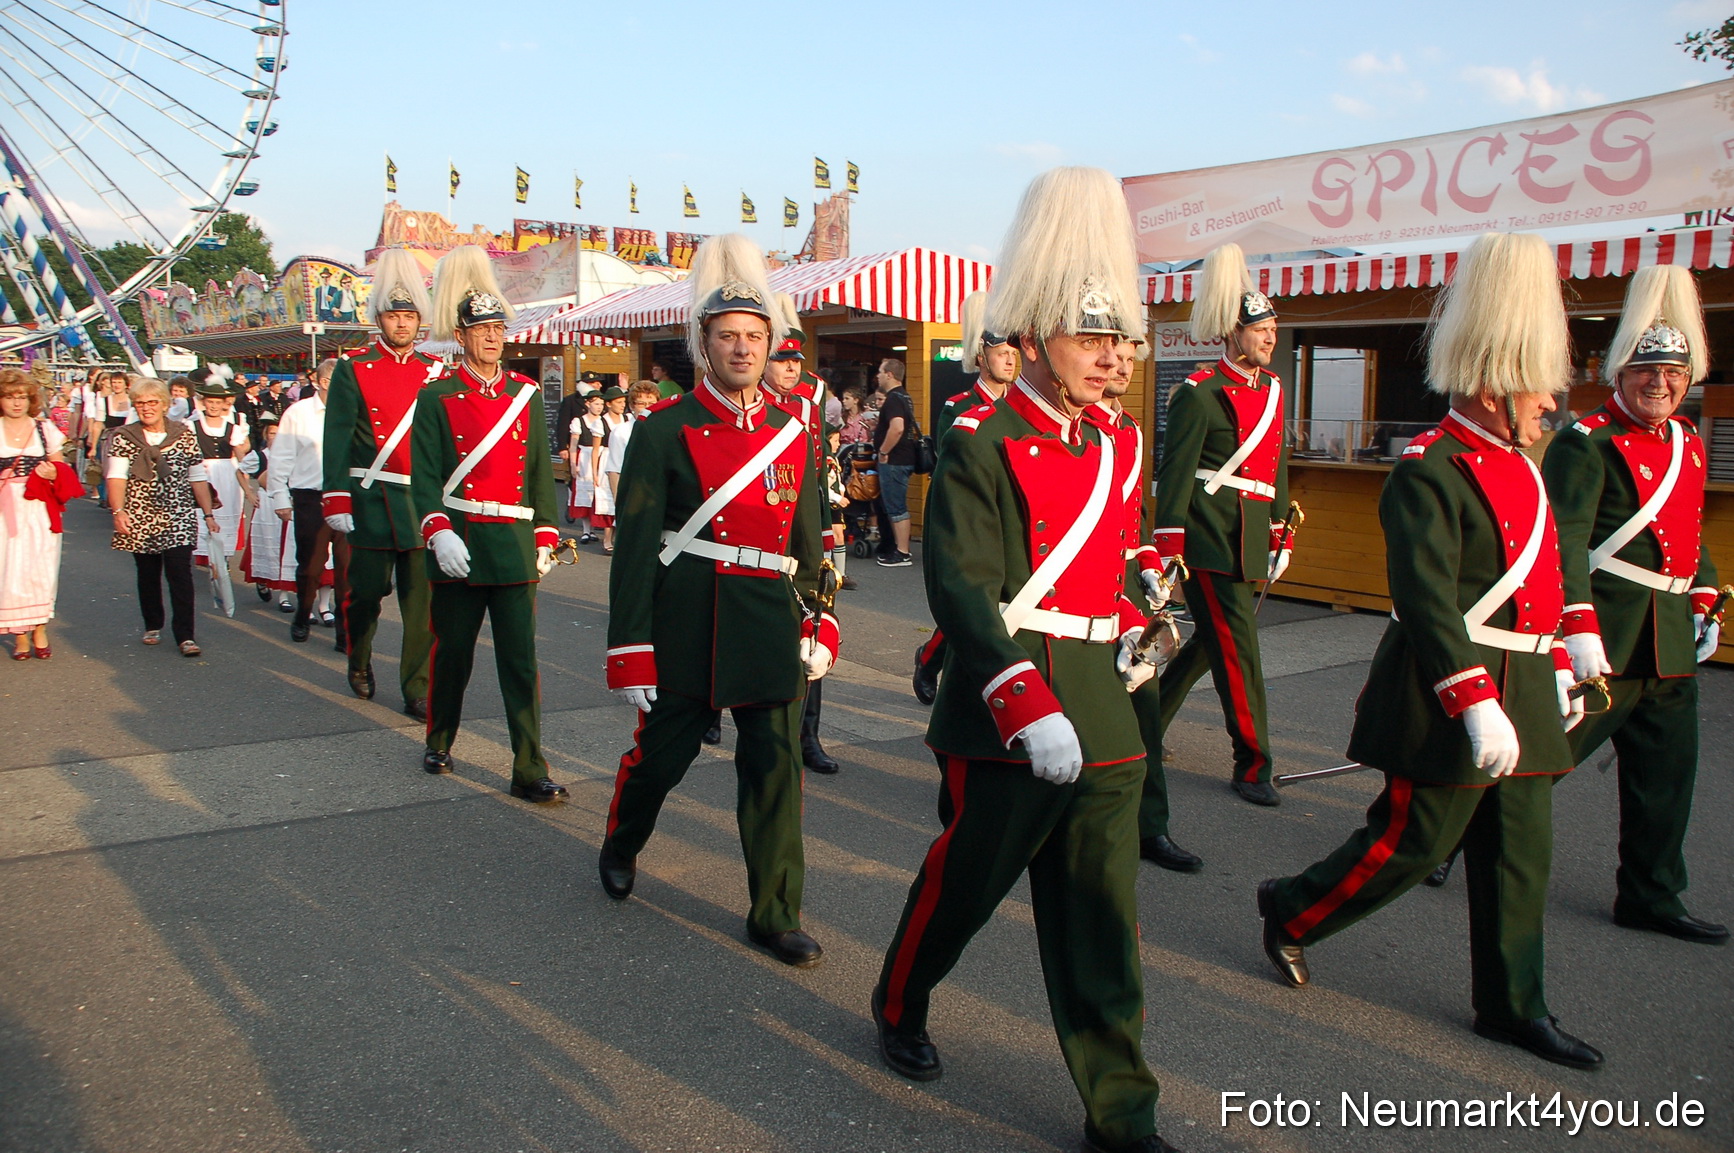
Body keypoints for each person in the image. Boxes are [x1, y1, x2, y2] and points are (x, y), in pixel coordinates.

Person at [870, 168, 1175, 1153]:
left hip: (1106, 715)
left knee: (1102, 926)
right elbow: (960, 584)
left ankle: (1121, 1112)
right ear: (1039, 337)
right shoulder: (984, 441)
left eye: (1122, 339)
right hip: (1012, 712)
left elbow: (1107, 564)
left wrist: (1137, 620)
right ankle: (901, 999)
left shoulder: (1121, 448)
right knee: (962, 891)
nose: (1114, 359)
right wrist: (1019, 696)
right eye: (1094, 339)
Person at [1256, 232, 1601, 1070]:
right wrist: (1474, 696)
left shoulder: (1526, 460)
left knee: (1521, 856)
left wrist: (1563, 653)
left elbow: (1545, 571)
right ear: (1491, 385)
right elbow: (1425, 595)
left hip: (1521, 680)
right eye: (1538, 382)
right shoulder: (1431, 467)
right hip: (1454, 683)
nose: (1552, 398)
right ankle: (1294, 909)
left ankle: (1514, 1005)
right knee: (1411, 841)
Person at [599, 233, 836, 968]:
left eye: (755, 337)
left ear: (771, 345)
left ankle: (774, 910)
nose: (743, 349)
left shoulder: (793, 434)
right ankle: (622, 838)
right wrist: (629, 645)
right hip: (688, 613)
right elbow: (636, 547)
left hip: (766, 616)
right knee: (662, 757)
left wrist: (820, 614)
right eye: (728, 336)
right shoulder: (662, 428)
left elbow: (808, 541)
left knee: (774, 771)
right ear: (704, 344)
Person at [1543, 264, 1726, 944]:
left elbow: (1689, 532)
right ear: (1621, 373)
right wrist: (1576, 624)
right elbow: (1562, 541)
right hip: (1607, 634)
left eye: (1673, 373)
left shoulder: (1688, 443)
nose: (1661, 383)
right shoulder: (1585, 441)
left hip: (1670, 638)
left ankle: (1651, 893)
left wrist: (1703, 591)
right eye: (1647, 371)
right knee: (1540, 754)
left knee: (1666, 779)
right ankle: (1451, 838)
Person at [411, 245, 566, 802]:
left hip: (513, 546)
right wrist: (437, 529)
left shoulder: (524, 396)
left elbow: (539, 475)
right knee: (452, 654)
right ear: (461, 335)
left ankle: (529, 766)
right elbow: (424, 474)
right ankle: (440, 737)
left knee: (521, 664)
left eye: (499, 327)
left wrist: (547, 534)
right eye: (482, 329)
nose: (494, 337)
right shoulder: (436, 397)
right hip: (460, 542)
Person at [1147, 243, 1292, 807]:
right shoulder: (1199, 393)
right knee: (1240, 649)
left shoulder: (1274, 392)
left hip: (1252, 534)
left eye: (1273, 328)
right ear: (1233, 333)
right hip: (1210, 535)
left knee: (1212, 641)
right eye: (1260, 329)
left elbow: (1275, 468)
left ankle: (1147, 722)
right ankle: (1253, 762)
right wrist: (1168, 547)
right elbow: (1176, 475)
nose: (1269, 337)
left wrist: (1280, 530)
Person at [321, 249, 439, 716]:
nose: (402, 324)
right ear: (380, 320)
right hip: (370, 498)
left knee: (421, 606)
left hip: (420, 502)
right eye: (394, 315)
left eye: (410, 315)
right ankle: (359, 657)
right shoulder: (355, 367)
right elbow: (337, 438)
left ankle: (416, 687)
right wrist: (337, 497)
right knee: (366, 593)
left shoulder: (433, 370)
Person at [912, 289, 1020, 703]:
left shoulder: (1023, 408)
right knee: (974, 603)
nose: (1009, 358)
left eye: (1013, 350)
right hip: (974, 518)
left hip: (1012, 518)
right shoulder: (958, 407)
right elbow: (953, 475)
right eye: (999, 350)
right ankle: (931, 659)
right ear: (980, 356)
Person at [760, 298, 841, 775]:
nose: (791, 368)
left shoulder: (807, 403)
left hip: (801, 530)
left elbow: (814, 475)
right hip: (757, 530)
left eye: (796, 361)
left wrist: (824, 526)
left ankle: (808, 734)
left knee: (812, 628)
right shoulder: (751, 405)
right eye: (782, 359)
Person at [107, 376, 219, 657]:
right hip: (140, 514)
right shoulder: (123, 436)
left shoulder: (183, 434)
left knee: (180, 575)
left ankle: (185, 635)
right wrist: (118, 511)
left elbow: (197, 478)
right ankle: (153, 624)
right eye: (140, 403)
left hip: (177, 515)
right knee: (148, 574)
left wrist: (207, 514)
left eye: (152, 402)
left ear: (166, 405)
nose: (146, 408)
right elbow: (116, 476)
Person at [0, 371, 73, 659]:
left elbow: (61, 468)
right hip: (5, 511)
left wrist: (53, 471)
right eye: (9, 397)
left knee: (41, 566)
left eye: (22, 397)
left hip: (40, 507)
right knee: (10, 568)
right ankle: (19, 634)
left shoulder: (45, 429)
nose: (16, 403)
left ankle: (39, 627)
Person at [272, 358, 342, 643]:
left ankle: (345, 631)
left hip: (348, 496)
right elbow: (281, 456)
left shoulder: (355, 409)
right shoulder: (298, 413)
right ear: (324, 382)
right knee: (311, 565)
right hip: (310, 496)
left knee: (348, 568)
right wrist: (280, 495)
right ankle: (303, 612)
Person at [187, 365, 253, 602]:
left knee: (227, 512)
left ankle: (221, 560)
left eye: (218, 402)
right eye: (209, 402)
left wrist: (248, 479)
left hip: (226, 472)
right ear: (203, 402)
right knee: (199, 514)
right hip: (202, 471)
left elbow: (240, 454)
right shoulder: (191, 425)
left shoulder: (233, 427)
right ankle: (201, 555)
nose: (213, 406)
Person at [242, 413, 301, 612]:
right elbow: (241, 471)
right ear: (266, 435)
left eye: (279, 433)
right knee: (268, 544)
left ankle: (284, 589)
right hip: (267, 505)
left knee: (286, 547)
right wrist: (249, 494)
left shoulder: (293, 455)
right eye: (272, 433)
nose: (276, 437)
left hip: (288, 505)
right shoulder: (260, 456)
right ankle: (263, 579)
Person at [871, 357, 916, 566]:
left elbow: (897, 427)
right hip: (903, 458)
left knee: (896, 506)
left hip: (894, 459)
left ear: (889, 375)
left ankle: (902, 551)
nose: (877, 375)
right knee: (896, 505)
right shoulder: (904, 396)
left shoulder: (893, 399)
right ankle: (899, 548)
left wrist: (883, 451)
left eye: (880, 371)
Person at [602, 380, 661, 499]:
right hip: (633, 494)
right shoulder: (621, 432)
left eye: (651, 403)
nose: (647, 408)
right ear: (632, 406)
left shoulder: (666, 429)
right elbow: (614, 470)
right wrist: (619, 505)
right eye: (641, 404)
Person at [591, 385, 630, 551]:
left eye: (623, 402)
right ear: (609, 404)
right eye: (618, 402)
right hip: (607, 459)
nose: (622, 405)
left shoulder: (627, 419)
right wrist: (594, 472)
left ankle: (619, 537)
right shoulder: (601, 422)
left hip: (624, 457)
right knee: (609, 501)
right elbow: (595, 449)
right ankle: (607, 539)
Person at [566, 390, 605, 542]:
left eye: (601, 404)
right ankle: (586, 530)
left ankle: (595, 528)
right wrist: (573, 464)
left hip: (602, 456)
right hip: (585, 459)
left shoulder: (604, 421)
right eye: (596, 404)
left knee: (599, 494)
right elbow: (574, 445)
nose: (599, 407)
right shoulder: (579, 421)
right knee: (585, 494)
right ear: (588, 404)